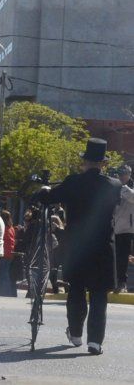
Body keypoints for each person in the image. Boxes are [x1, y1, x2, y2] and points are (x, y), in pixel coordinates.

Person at [38, 138, 121, 355]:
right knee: (99, 295)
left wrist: (42, 190)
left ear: (85, 161)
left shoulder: (73, 182)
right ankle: (95, 342)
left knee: (76, 289)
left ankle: (75, 333)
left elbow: (49, 198)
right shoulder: (114, 185)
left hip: (78, 246)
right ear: (103, 163)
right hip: (103, 247)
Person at [113, 165, 134, 293]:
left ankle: (122, 282)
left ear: (129, 174)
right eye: (120, 173)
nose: (122, 176)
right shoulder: (114, 186)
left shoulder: (129, 187)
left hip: (127, 228)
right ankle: (113, 281)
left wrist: (122, 187)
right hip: (113, 227)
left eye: (125, 173)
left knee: (123, 256)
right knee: (113, 256)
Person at [0, 210, 18, 297]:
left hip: (4, 253)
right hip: (10, 253)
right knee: (6, 274)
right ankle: (7, 292)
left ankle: (3, 292)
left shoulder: (3, 228)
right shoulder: (11, 228)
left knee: (3, 274)